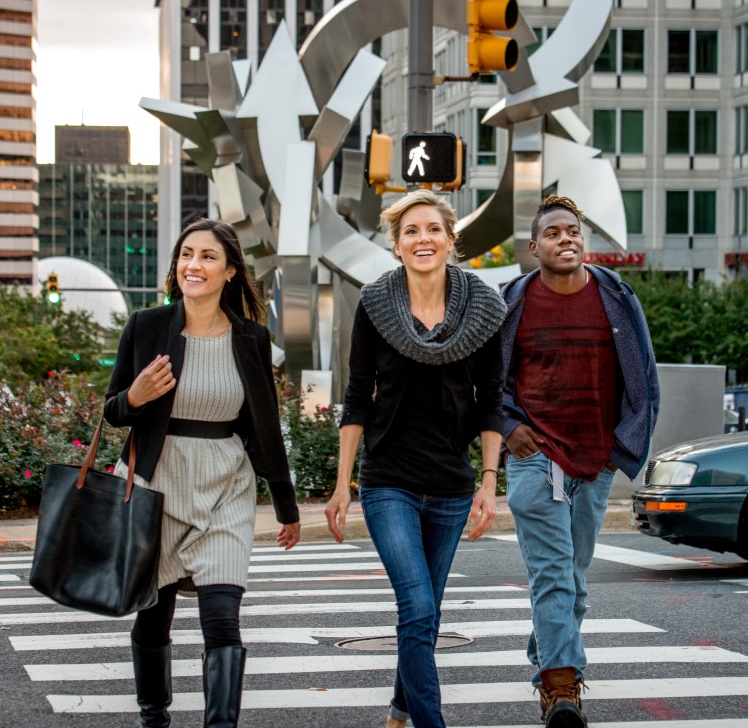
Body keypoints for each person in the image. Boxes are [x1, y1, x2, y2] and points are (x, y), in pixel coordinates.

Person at [104, 218, 301, 728]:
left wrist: (286, 507)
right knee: (154, 619)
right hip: (158, 486)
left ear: (230, 271)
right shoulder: (147, 327)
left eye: (209, 257)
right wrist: (135, 397)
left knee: (222, 619)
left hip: (226, 487)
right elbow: (112, 410)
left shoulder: (251, 338)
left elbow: (263, 427)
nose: (194, 265)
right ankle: (154, 716)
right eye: (187, 254)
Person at [324, 190, 506, 728]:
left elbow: (492, 401)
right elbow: (357, 397)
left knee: (425, 613)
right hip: (389, 483)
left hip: (451, 484)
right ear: (397, 245)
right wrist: (342, 485)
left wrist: (489, 483)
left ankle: (401, 706)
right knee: (419, 608)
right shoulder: (375, 306)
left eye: (432, 229)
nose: (422, 239)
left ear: (451, 240)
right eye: (410, 231)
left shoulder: (484, 309)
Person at [499, 195, 660, 728]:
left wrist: (619, 451)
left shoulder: (617, 296)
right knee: (553, 576)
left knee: (574, 578)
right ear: (534, 246)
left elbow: (645, 378)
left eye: (573, 231)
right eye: (553, 233)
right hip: (535, 455)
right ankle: (562, 690)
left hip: (596, 457)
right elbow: (486, 380)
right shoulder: (513, 302)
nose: (565, 238)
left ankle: (545, 655)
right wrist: (507, 427)